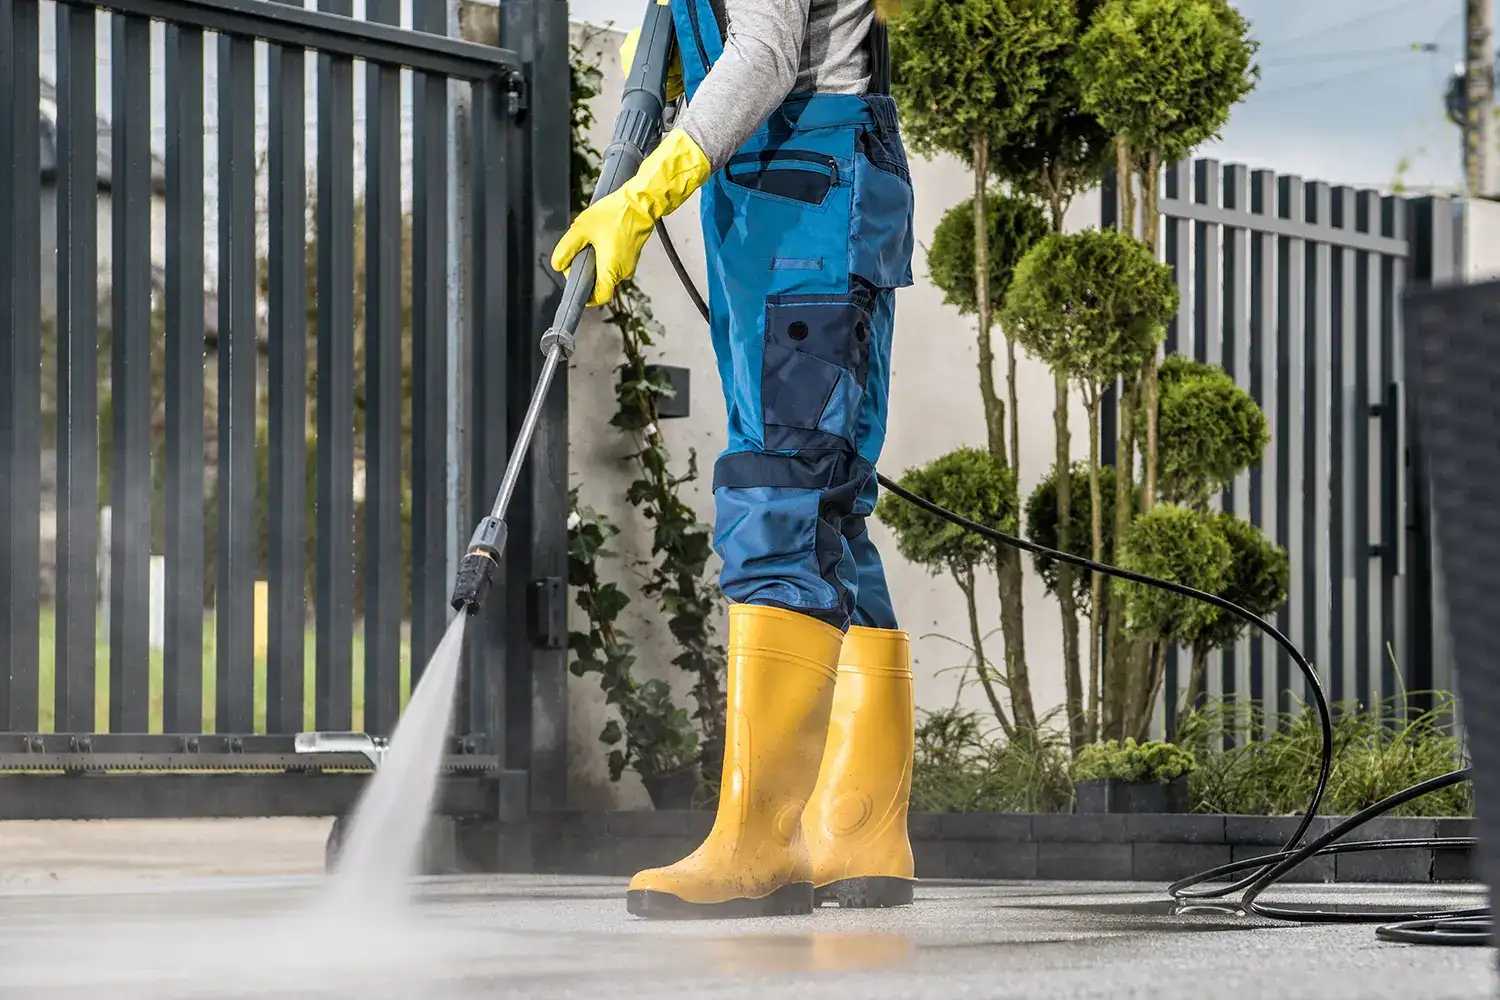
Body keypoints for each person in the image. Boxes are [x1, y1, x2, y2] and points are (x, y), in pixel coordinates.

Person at [551, 0, 916, 920]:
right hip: (792, 196)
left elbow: (762, 50)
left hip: (806, 200)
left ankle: (761, 840)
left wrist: (645, 190)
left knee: (779, 490)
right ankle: (863, 830)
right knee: (829, 506)